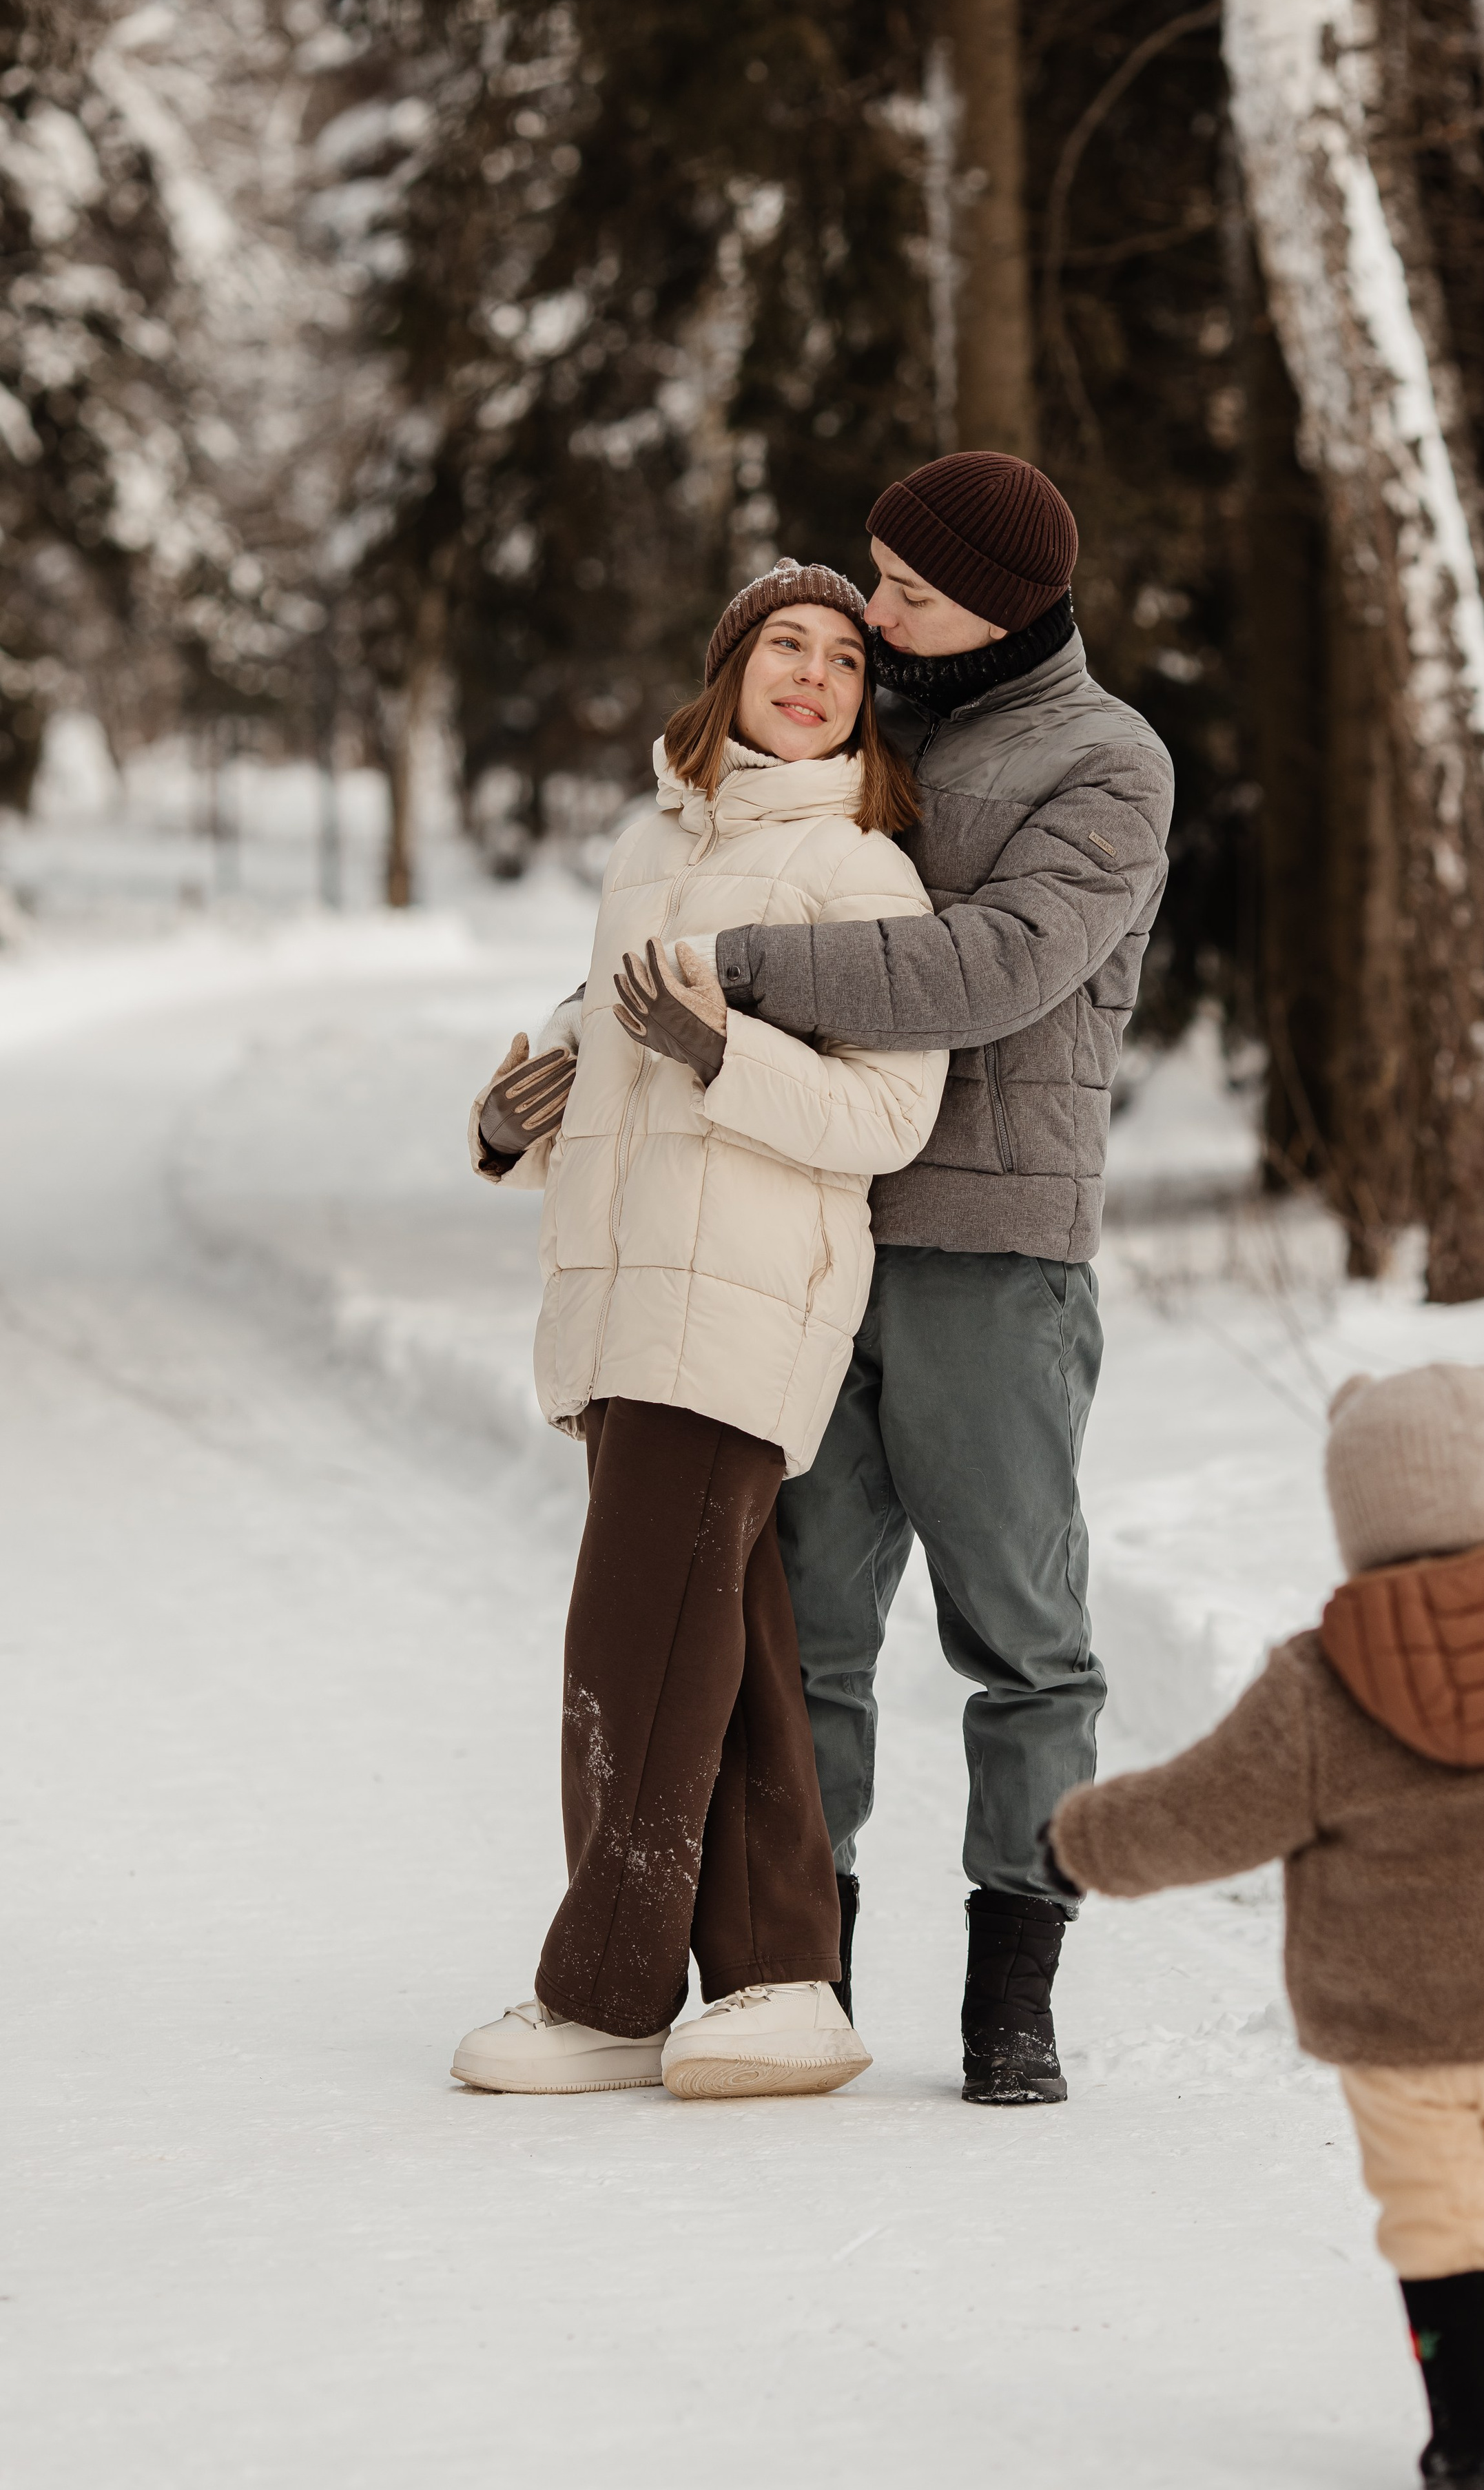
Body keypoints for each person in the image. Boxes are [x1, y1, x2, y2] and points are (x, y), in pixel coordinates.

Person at [679, 451, 1175, 2104]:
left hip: (992, 1251)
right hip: (821, 1219)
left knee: (1020, 1635)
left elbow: (990, 966)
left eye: (903, 589)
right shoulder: (884, 729)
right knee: (803, 1620)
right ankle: (789, 1972)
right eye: (875, 579)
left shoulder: (1107, 764)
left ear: (1003, 606)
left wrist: (732, 971)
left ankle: (1011, 1986)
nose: (870, 610)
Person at [1045, 1363, 1484, 2489]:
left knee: (1445, 2210)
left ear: (1359, 1505)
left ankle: (1476, 2439)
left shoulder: (1320, 1684)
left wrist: (1083, 1839)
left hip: (1402, 2031)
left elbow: (1201, 1811)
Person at [451, 561, 948, 2102]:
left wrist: (724, 1051)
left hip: (738, 1293)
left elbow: (888, 1110)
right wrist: (509, 1119)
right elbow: (603, 1045)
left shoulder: (860, 867)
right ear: (728, 665)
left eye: (846, 660)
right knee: (716, 1642)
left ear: (866, 705)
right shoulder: (651, 846)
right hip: (621, 1289)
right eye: (782, 645)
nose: (812, 674)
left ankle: (602, 1991)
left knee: (634, 1634)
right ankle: (775, 1977)